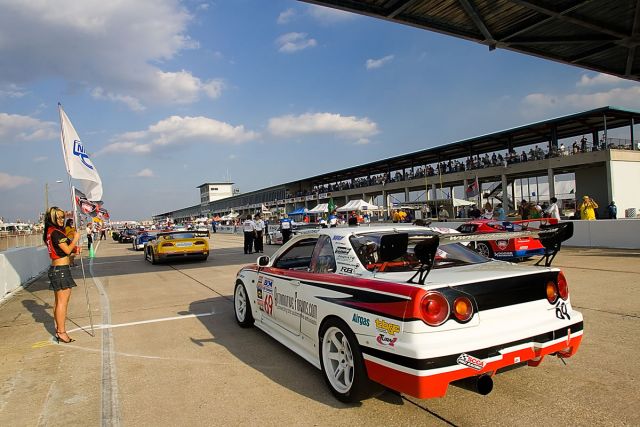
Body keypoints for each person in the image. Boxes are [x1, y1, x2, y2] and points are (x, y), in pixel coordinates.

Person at [43, 207, 81, 343]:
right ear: (51, 218)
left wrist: (74, 249)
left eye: (62, 217)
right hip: (61, 270)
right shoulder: (56, 233)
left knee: (59, 302)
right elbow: (67, 249)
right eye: (58, 217)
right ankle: (61, 332)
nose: (61, 220)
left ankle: (59, 329)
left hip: (58, 268)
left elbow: (63, 251)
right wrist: (75, 239)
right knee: (62, 303)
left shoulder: (50, 232)